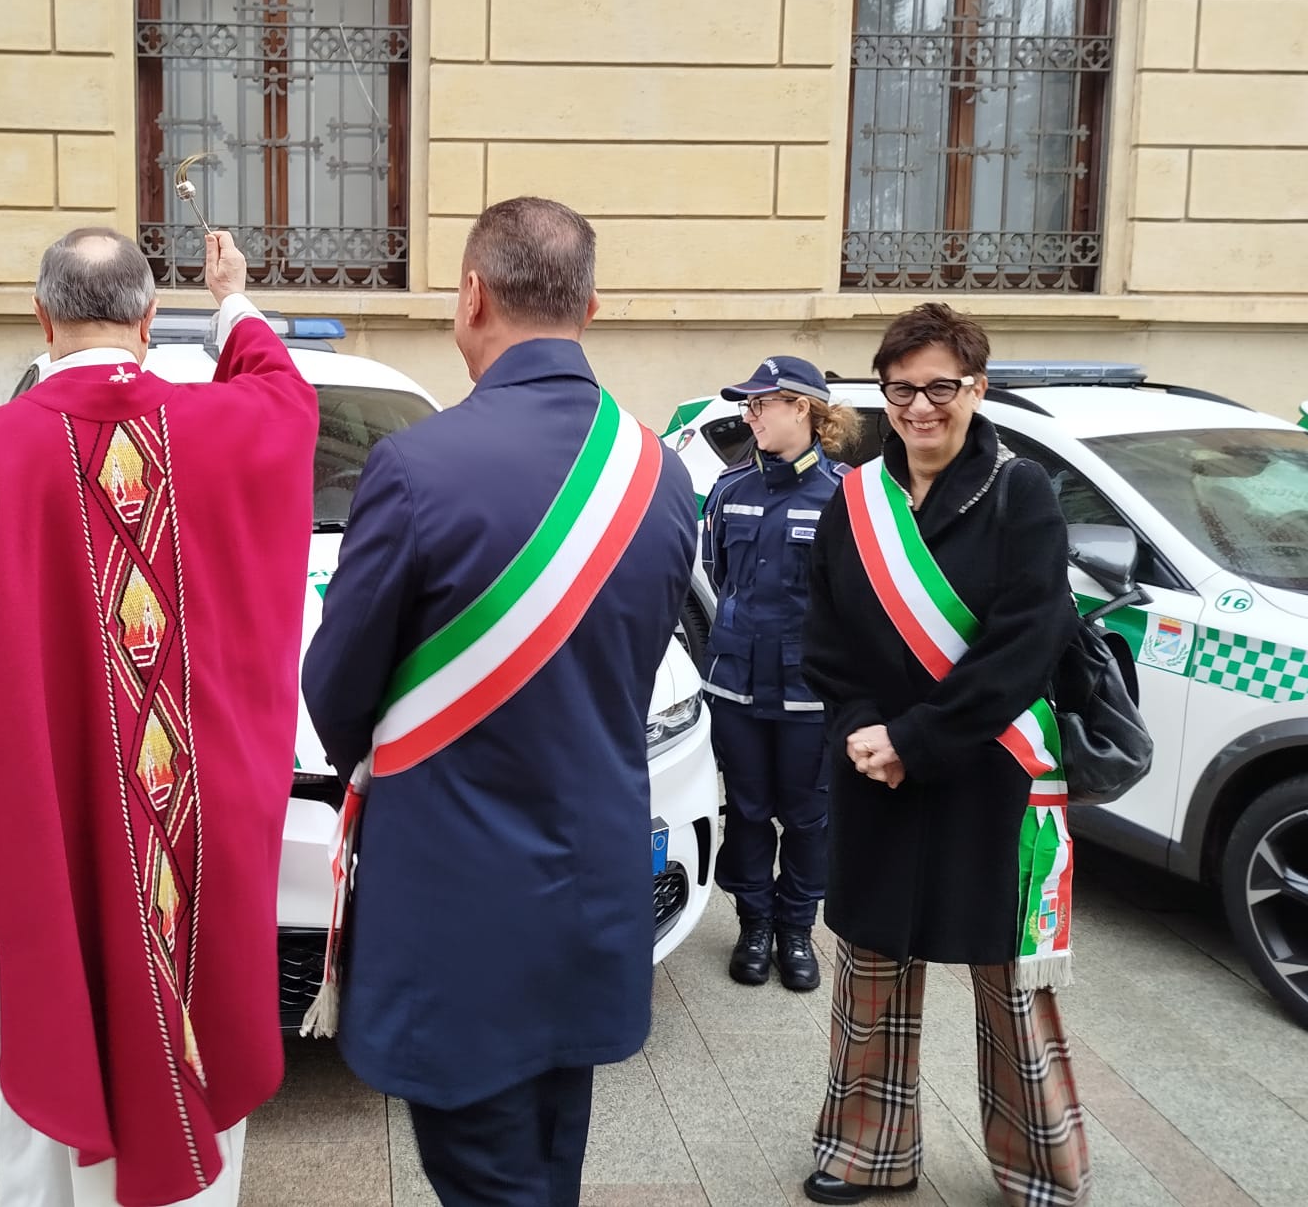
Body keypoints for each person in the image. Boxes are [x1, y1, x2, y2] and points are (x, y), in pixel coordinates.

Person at [0, 227, 317, 1207]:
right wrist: (228, 300)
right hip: (196, 827)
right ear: (150, 320)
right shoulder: (231, 424)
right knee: (194, 1024)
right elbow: (283, 391)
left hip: (41, 831)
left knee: (48, 1039)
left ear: (41, 317)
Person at [302, 198, 697, 1207]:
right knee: (546, 1158)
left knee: (482, 1178)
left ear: (471, 296)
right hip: (592, 888)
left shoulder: (413, 465)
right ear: (590, 307)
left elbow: (336, 689)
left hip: (455, 904)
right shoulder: (657, 473)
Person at [800, 302, 1088, 1207]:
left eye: (940, 388)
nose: (920, 408)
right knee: (873, 966)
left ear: (977, 387)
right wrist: (859, 728)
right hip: (875, 768)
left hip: (989, 768)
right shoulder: (855, 499)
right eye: (901, 390)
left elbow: (1024, 645)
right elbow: (829, 635)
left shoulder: (1022, 491)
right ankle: (868, 1149)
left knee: (1009, 983)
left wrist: (916, 740)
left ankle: (1041, 1164)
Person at [702, 356, 855, 992]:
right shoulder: (728, 491)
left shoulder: (847, 496)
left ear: (802, 408)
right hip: (736, 683)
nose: (750, 415)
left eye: (761, 404)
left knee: (806, 815)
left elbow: (855, 600)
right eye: (748, 405)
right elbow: (717, 576)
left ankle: (796, 929)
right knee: (745, 809)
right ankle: (754, 925)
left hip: (807, 693)